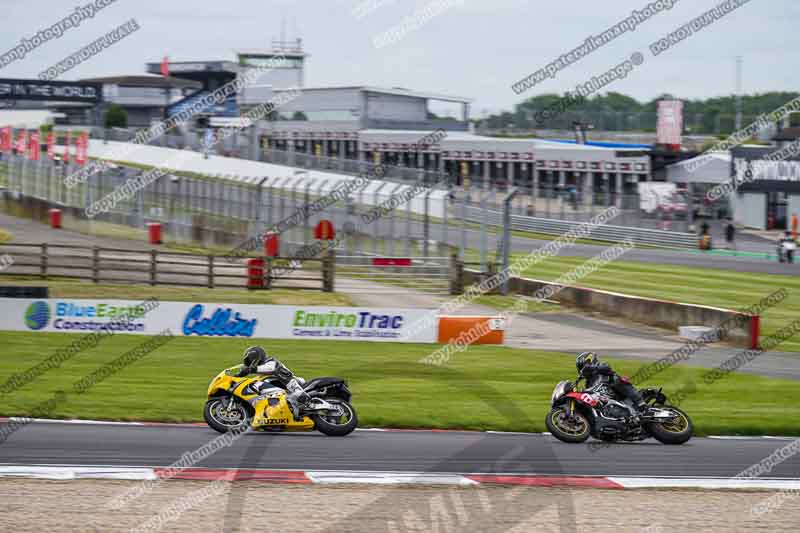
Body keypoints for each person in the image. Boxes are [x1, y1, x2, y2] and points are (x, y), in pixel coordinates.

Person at [236, 346, 310, 419]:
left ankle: (300, 393)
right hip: (280, 391)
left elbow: (271, 368)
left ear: (257, 357)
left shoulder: (271, 361)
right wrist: (238, 375)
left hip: (292, 382)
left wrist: (251, 370)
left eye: (250, 359)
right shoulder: (260, 373)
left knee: (280, 375)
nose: (249, 363)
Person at [575, 352, 647, 416]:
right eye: (580, 368)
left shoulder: (600, 366)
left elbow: (607, 368)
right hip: (608, 400)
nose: (582, 370)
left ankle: (640, 402)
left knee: (616, 380)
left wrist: (593, 368)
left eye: (582, 367)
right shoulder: (588, 383)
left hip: (619, 393)